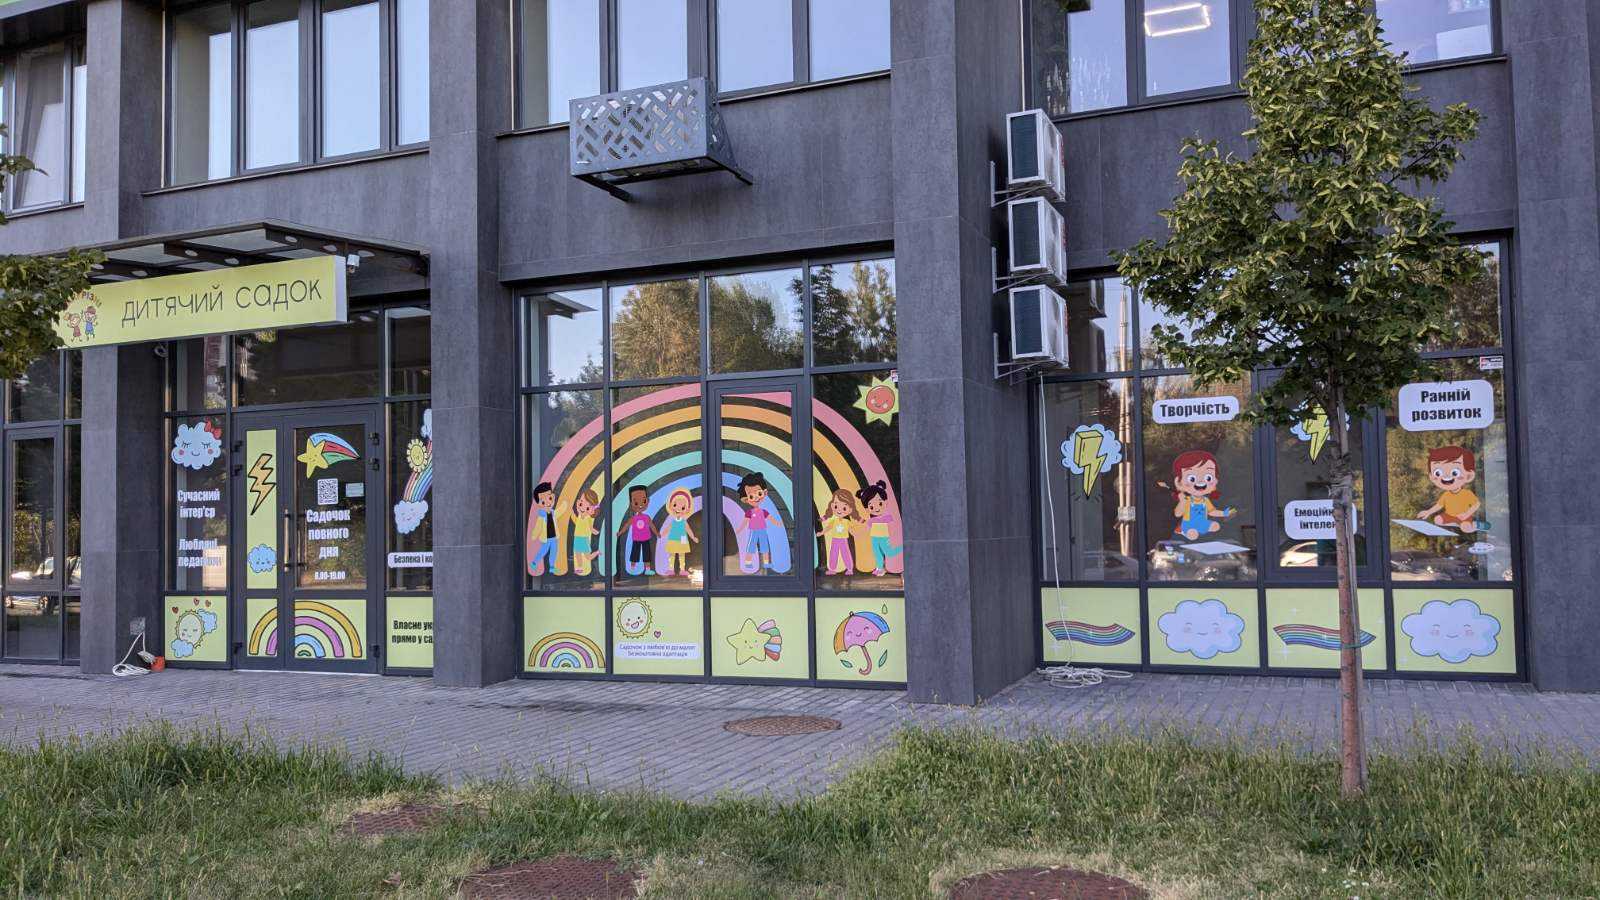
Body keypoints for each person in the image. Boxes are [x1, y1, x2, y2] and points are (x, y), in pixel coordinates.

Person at [1164, 450, 1235, 541]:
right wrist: (1182, 502)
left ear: (1215, 481)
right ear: (1179, 482)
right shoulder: (1187, 500)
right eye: (1192, 478)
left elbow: (1212, 512)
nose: (1201, 482)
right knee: (1193, 535)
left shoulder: (1205, 500)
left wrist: (1224, 513)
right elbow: (1178, 514)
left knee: (1216, 526)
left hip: (1203, 523)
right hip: (1189, 525)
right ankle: (1182, 530)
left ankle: (1202, 533)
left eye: (1208, 478)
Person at [1418, 445, 1480, 533]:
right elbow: (1439, 505)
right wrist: (1428, 512)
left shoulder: (1467, 493)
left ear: (1469, 476)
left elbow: (1476, 504)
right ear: (1431, 477)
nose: (1446, 477)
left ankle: (1474, 526)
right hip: (1449, 516)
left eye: (1455, 473)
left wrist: (1467, 514)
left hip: (1464, 517)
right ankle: (1456, 524)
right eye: (1438, 473)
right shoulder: (1446, 494)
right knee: (1437, 520)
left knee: (1465, 528)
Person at [856, 481, 903, 577]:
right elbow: (867, 526)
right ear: (867, 508)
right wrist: (863, 527)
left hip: (884, 537)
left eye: (880, 503)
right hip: (874, 538)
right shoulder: (871, 520)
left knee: (889, 552)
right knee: (877, 554)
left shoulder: (887, 516)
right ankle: (879, 568)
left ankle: (902, 548)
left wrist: (871, 521)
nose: (876, 508)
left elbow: (885, 520)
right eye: (871, 506)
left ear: (885, 502)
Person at [525, 482, 566, 575]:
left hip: (554, 537)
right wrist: (534, 535)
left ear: (553, 497)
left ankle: (552, 567)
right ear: (539, 504)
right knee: (543, 551)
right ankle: (534, 563)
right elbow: (538, 526)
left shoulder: (552, 512)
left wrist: (564, 506)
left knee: (554, 552)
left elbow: (559, 512)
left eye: (550, 498)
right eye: (543, 502)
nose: (548, 503)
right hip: (546, 538)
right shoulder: (542, 515)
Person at [817, 488, 860, 575]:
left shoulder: (846, 522)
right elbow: (828, 528)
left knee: (846, 554)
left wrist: (855, 535)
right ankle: (832, 569)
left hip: (843, 540)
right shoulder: (834, 521)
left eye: (844, 508)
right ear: (832, 506)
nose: (839, 510)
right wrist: (821, 533)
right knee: (833, 554)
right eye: (836, 506)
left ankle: (849, 569)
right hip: (835, 540)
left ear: (850, 509)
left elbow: (851, 530)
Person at [739, 473, 775, 572]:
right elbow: (745, 521)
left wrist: (777, 523)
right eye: (751, 496)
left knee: (765, 546)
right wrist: (740, 529)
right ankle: (748, 562)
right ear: (746, 499)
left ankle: (766, 563)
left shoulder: (763, 511)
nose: (756, 498)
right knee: (751, 546)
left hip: (762, 530)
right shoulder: (750, 512)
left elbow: (770, 518)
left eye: (759, 494)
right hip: (754, 531)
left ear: (765, 493)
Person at [618, 485, 657, 576]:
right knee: (635, 553)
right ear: (631, 503)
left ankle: (647, 569)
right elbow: (626, 526)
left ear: (648, 501)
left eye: (644, 501)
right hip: (636, 539)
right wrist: (620, 532)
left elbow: (652, 526)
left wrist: (657, 533)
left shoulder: (646, 517)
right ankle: (632, 568)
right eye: (636, 502)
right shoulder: (633, 518)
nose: (640, 505)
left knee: (646, 554)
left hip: (646, 538)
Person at [661, 488, 698, 577]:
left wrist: (693, 537)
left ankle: (682, 570)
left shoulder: (684, 521)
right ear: (671, 506)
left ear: (687, 510)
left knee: (682, 555)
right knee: (672, 555)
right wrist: (662, 534)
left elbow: (688, 529)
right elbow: (668, 528)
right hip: (673, 539)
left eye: (682, 507)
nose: (678, 509)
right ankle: (671, 569)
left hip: (682, 540)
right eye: (675, 505)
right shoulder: (673, 521)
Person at [570, 489, 602, 577]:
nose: (581, 507)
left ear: (591, 509)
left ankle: (597, 553)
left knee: (587, 556)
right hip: (577, 538)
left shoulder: (588, 518)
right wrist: (572, 512)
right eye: (581, 503)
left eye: (587, 508)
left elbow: (591, 528)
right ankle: (580, 567)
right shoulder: (580, 516)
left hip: (584, 539)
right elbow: (576, 521)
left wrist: (596, 532)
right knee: (578, 554)